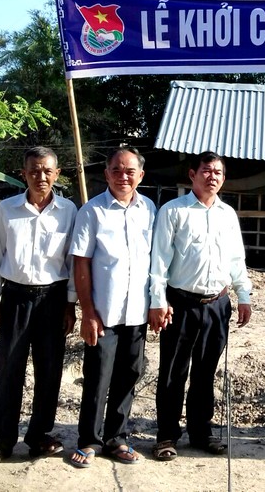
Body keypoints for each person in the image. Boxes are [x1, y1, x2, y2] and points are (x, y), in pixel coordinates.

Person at [0, 146, 77, 468]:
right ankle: (2, 439)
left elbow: (72, 261)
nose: (41, 176)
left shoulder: (69, 211)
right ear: (24, 174)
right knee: (8, 368)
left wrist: (70, 305)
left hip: (53, 299)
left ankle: (38, 436)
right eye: (34, 170)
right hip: (16, 297)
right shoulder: (7, 209)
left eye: (47, 170)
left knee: (49, 370)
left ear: (57, 174)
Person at [149, 151, 252, 460]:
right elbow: (159, 260)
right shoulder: (173, 211)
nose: (212, 176)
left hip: (217, 304)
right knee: (173, 371)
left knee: (206, 372)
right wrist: (158, 301)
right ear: (192, 174)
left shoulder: (227, 214)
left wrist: (243, 295)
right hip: (180, 304)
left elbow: (236, 258)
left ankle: (200, 432)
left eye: (218, 172)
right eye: (206, 170)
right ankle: (167, 435)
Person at [68, 147, 156, 468]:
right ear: (106, 174)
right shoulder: (91, 211)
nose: (123, 177)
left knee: (129, 375)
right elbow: (81, 263)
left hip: (137, 313)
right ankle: (89, 440)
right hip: (103, 313)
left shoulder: (149, 209)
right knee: (97, 377)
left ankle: (117, 438)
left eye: (130, 171)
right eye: (116, 170)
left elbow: (155, 260)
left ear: (140, 176)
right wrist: (87, 312)